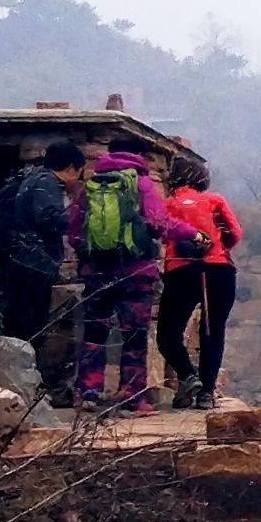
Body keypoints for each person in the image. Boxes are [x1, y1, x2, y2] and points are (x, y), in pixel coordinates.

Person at [0, 137, 88, 402]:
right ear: (71, 168)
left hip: (19, 262)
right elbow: (48, 219)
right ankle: (23, 388)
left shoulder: (31, 179)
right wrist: (77, 217)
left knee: (18, 324)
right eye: (79, 173)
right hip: (33, 265)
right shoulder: (48, 184)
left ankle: (15, 387)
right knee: (29, 327)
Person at [69, 132, 176, 410]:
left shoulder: (92, 184)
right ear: (139, 156)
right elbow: (159, 224)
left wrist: (93, 255)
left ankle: (88, 392)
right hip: (136, 273)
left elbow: (74, 231)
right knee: (134, 335)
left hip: (96, 273)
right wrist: (191, 235)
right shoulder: (142, 184)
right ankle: (132, 397)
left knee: (94, 332)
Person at [152, 153, 244, 409]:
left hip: (181, 270)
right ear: (202, 178)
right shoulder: (215, 200)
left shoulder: (167, 205)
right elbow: (235, 233)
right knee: (212, 331)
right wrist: (219, 248)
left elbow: (159, 231)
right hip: (219, 270)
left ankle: (187, 375)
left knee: (168, 333)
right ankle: (206, 392)